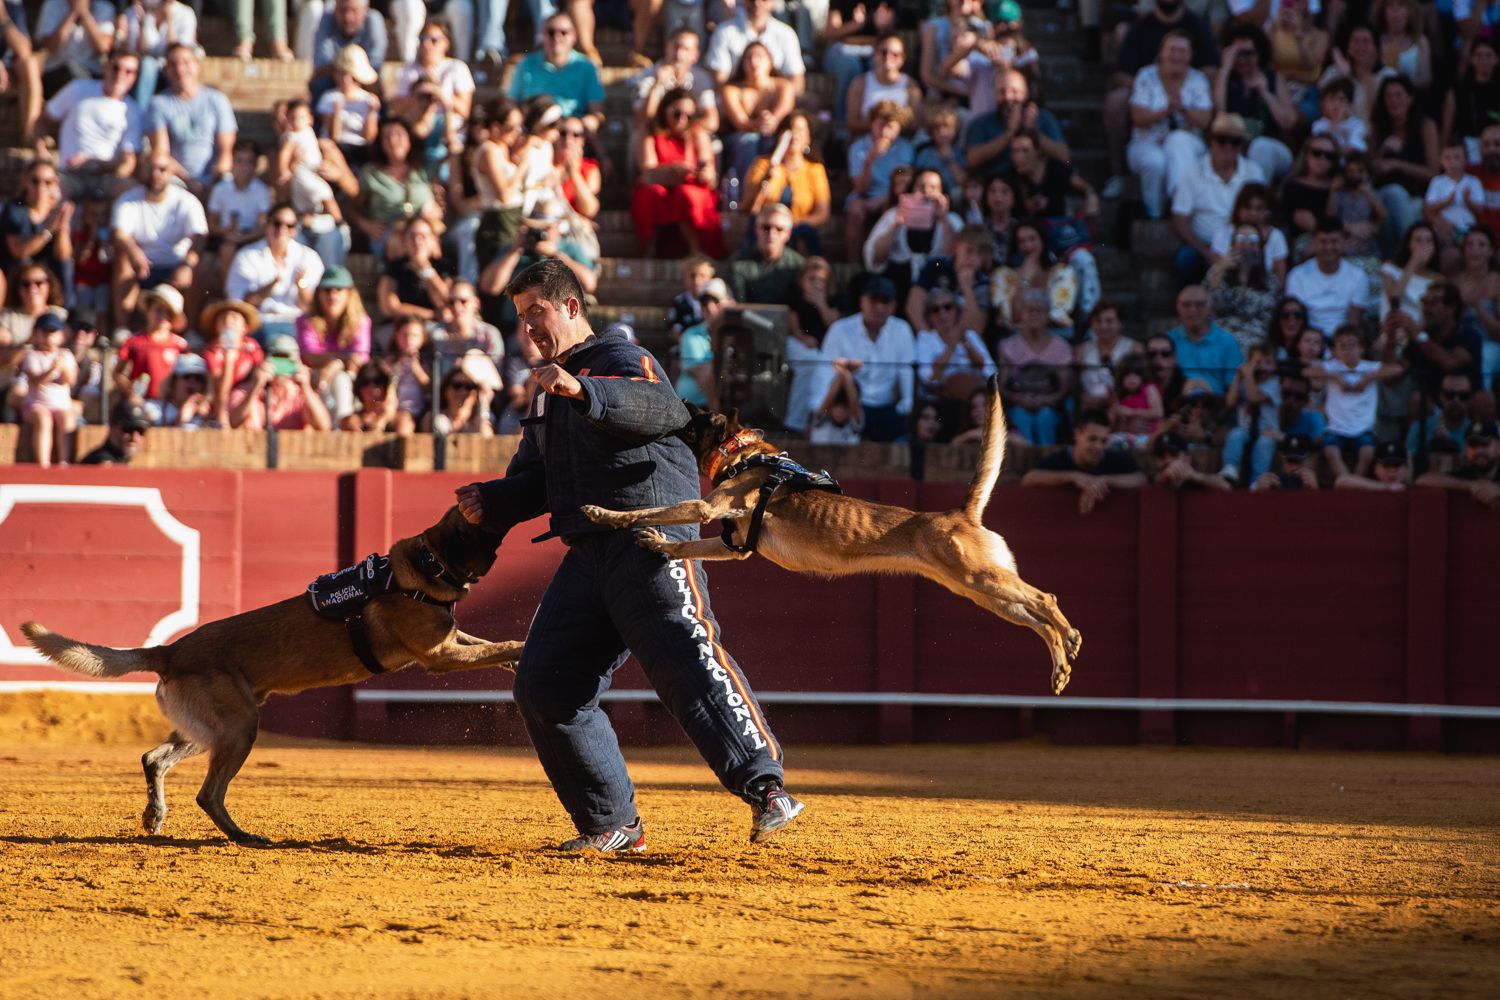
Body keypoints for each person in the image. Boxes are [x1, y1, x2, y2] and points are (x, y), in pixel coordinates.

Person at [454, 258, 801, 851]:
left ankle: (767, 787)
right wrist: (489, 500)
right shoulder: (545, 395)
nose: (529, 328)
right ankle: (612, 824)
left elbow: (662, 411)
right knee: (545, 686)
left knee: (684, 661)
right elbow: (536, 481)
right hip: (588, 552)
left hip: (651, 542)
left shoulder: (621, 358)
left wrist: (582, 390)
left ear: (570, 307)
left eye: (536, 311)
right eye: (520, 317)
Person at [109, 147, 207, 331]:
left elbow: (200, 238)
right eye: (150, 168)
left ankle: (192, 331)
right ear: (142, 170)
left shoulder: (186, 201)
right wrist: (134, 252)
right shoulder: (128, 200)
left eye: (162, 169)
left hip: (175, 264)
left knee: (198, 268)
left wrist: (186, 265)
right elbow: (119, 234)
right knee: (123, 260)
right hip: (142, 266)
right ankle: (122, 329)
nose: (156, 174)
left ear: (171, 173)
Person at [816, 275, 916, 442]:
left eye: (885, 301)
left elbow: (906, 373)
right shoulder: (840, 330)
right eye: (874, 300)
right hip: (851, 407)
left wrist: (906, 407)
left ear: (894, 306)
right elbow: (824, 374)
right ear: (862, 301)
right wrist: (818, 407)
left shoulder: (902, 330)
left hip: (887, 408)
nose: (879, 306)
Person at [1126, 31, 1214, 219]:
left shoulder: (1198, 79)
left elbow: (1205, 121)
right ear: (1161, 53)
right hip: (1146, 143)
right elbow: (1138, 117)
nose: (1177, 56)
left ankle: (1179, 206)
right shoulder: (1146, 75)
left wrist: (1183, 109)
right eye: (1172, 50)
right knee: (1155, 162)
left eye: (1183, 51)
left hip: (1189, 146)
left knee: (1178, 140)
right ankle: (1155, 215)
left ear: (1190, 56)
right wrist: (1164, 111)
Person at [1170, 112, 1266, 285]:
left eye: (1235, 141)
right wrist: (1205, 251)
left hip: (1245, 244)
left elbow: (1263, 213)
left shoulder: (1254, 172)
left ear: (1242, 145)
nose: (1228, 146)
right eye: (1222, 140)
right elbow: (1180, 218)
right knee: (1185, 260)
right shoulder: (1192, 171)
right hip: (1204, 245)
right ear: (1211, 140)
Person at [40, 49, 142, 202]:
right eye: (116, 68)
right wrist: (40, 150)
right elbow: (42, 120)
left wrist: (97, 163)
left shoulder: (133, 111)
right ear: (105, 67)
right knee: (47, 191)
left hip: (105, 177)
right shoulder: (78, 89)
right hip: (68, 174)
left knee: (133, 195)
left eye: (128, 72)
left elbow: (128, 162)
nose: (120, 75)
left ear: (134, 78)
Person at [630, 89, 722, 258]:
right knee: (652, 194)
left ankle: (697, 251)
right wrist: (677, 170)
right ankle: (651, 249)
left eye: (689, 116)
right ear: (665, 109)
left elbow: (708, 174)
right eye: (677, 113)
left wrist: (694, 174)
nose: (682, 120)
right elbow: (647, 172)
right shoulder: (651, 131)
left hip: (688, 189)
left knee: (686, 195)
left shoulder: (697, 132)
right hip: (661, 189)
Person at [1308, 324, 1403, 478]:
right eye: (1341, 345)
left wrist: (1368, 378)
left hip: (1363, 428)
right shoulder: (1332, 366)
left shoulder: (1368, 367)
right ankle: (1346, 481)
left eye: (1351, 345)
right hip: (1336, 428)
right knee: (1330, 451)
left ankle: (1354, 481)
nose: (1347, 350)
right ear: (1336, 350)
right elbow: (1307, 371)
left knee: (1368, 452)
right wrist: (1335, 377)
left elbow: (1397, 369)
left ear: (1361, 348)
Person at [145, 44, 236, 197]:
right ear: (166, 69)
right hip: (176, 177)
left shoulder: (217, 100)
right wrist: (190, 181)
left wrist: (213, 182)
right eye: (173, 64)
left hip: (214, 177)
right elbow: (162, 152)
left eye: (186, 62)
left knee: (226, 186)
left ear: (197, 65)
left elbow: (225, 151)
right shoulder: (158, 104)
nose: (180, 69)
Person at [225, 202, 323, 340]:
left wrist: (300, 284)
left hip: (297, 324)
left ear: (295, 230)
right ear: (267, 224)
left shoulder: (309, 257)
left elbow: (314, 308)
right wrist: (272, 284)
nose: (282, 229)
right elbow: (239, 305)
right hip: (259, 323)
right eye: (277, 223)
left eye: (289, 226)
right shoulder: (247, 256)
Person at [1020, 410, 1147, 515]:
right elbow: (1029, 479)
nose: (1098, 447)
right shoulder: (1060, 458)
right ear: (1077, 435)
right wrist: (1072, 476)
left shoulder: (1112, 458)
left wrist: (1104, 480)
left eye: (1103, 441)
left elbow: (1141, 479)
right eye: (1092, 439)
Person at [743, 112, 830, 257]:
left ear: (808, 138)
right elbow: (749, 206)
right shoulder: (762, 164)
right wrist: (767, 175)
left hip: (798, 228)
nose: (794, 135)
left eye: (800, 130)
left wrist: (791, 225)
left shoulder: (815, 169)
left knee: (804, 235)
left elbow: (822, 213)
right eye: (790, 130)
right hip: (767, 229)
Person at [1369, 75, 1439, 254]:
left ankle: (1411, 257)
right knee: (1392, 196)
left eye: (1398, 95)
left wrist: (1398, 164)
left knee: (1403, 201)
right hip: (1383, 192)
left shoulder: (1425, 126)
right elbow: (1368, 168)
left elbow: (1433, 172)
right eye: (1388, 96)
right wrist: (1383, 151)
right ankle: (1405, 257)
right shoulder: (1379, 126)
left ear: (1410, 98)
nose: (1393, 101)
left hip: (1416, 194)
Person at [997, 288, 1073, 445]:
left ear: (1047, 314)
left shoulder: (1061, 347)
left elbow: (1064, 387)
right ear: (1021, 314)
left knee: (1045, 418)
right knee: (1020, 417)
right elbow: (1002, 385)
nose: (1034, 314)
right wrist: (1019, 399)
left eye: (1039, 310)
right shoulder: (1008, 346)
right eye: (1029, 310)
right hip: (1018, 403)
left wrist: (1046, 399)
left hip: (1050, 405)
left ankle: (1047, 463)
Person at [506, 12, 604, 130]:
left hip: (569, 133)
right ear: (542, 36)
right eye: (551, 32)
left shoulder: (586, 66)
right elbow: (511, 104)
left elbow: (597, 113)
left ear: (574, 37)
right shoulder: (526, 64)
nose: (557, 37)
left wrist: (582, 124)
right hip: (535, 130)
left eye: (563, 32)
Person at [296, 266, 369, 422]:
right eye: (327, 290)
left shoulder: (361, 321)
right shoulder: (306, 320)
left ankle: (342, 428)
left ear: (350, 294)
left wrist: (335, 365)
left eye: (338, 289)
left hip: (350, 379)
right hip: (314, 377)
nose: (332, 295)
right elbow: (309, 357)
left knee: (340, 380)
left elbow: (359, 360)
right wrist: (337, 362)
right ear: (318, 294)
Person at [720, 41, 795, 185]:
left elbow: (781, 116)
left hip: (773, 134)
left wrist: (771, 120)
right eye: (748, 58)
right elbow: (740, 123)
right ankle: (746, 190)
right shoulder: (732, 90)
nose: (754, 62)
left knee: (778, 140)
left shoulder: (783, 86)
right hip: (739, 140)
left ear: (770, 62)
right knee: (749, 140)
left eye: (759, 57)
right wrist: (759, 123)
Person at [226, 333, 334, 431]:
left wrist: (306, 388)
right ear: (265, 360)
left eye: (287, 361)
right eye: (277, 359)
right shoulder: (245, 392)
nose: (281, 367)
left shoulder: (302, 395)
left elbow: (324, 427)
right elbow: (233, 423)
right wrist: (256, 386)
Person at [1286, 218, 1370, 337]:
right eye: (1323, 242)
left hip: (1343, 339)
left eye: (1334, 241)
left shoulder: (1358, 276)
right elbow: (1296, 317)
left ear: (1343, 241)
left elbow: (1353, 321)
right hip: (1307, 339)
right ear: (1314, 242)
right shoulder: (1297, 275)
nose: (1329, 247)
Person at [0, 160, 73, 292]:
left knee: (66, 266)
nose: (41, 187)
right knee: (25, 263)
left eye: (48, 182)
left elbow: (63, 256)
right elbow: (19, 252)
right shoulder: (15, 209)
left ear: (55, 183)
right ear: (26, 181)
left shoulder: (57, 211)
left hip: (48, 275)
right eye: (35, 181)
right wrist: (49, 229)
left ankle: (65, 309)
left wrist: (63, 225)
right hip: (20, 275)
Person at [633, 27, 719, 136]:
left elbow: (712, 122)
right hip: (657, 135)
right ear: (666, 47)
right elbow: (643, 122)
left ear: (695, 55)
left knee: (705, 139)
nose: (679, 54)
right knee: (642, 137)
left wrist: (682, 126)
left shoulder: (701, 78)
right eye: (676, 46)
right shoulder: (647, 76)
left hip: (688, 137)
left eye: (686, 49)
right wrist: (657, 85)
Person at [704, 0, 806, 92]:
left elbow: (796, 82)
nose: (757, 3)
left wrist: (773, 102)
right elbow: (720, 81)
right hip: (735, 103)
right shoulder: (724, 32)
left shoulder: (786, 34)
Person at [19, 311, 77, 466]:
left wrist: (62, 368)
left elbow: (70, 380)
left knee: (67, 419)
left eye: (53, 333)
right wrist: (53, 369)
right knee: (43, 420)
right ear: (36, 334)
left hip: (61, 405)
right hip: (36, 405)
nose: (48, 337)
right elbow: (37, 381)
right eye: (44, 332)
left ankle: (64, 462)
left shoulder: (66, 355)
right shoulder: (31, 355)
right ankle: (43, 463)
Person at [113, 284, 188, 402]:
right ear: (148, 310)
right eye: (158, 310)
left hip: (172, 404)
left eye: (168, 313)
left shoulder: (181, 345)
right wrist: (130, 390)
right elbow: (118, 373)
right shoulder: (134, 341)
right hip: (142, 402)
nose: (163, 316)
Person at [725, 203, 805, 305]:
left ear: (788, 234)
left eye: (779, 229)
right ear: (756, 229)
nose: (772, 234)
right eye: (766, 227)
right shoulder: (738, 264)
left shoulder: (798, 265)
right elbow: (738, 305)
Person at [845, 34, 921, 135]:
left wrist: (892, 125)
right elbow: (851, 123)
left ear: (902, 58)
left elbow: (915, 123)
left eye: (895, 54)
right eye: (884, 52)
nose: (888, 57)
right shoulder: (859, 83)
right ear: (875, 55)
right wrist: (878, 125)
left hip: (901, 142)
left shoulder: (911, 86)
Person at [674, 277, 731, 408]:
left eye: (716, 300)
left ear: (729, 303)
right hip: (693, 408)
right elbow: (703, 378)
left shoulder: (739, 335)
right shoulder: (690, 335)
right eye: (704, 302)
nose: (710, 307)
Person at [1414, 421, 1500, 508]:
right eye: (1473, 445)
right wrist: (1471, 485)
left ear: (1498, 447)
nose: (1479, 451)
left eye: (1485, 444)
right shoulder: (1466, 473)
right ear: (1466, 450)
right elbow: (1422, 480)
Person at [1077, 300, 1142, 410]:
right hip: (1089, 408)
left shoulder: (1134, 349)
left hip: (1125, 409)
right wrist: (1083, 398)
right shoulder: (1080, 351)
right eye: (1098, 320)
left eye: (1109, 321)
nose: (1103, 326)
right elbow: (1075, 385)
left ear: (1120, 323)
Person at [79, 399, 149, 464]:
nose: (135, 437)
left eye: (141, 431)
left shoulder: (119, 462)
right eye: (128, 429)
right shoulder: (102, 464)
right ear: (112, 427)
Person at [1252, 432, 1320, 490]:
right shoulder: (1273, 482)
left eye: (1298, 461)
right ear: (1283, 460)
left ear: (1310, 461)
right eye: (1290, 460)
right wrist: (1259, 492)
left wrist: (1315, 491)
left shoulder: (1319, 483)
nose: (1294, 466)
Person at [1335, 439, 1409, 490]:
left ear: (1406, 469)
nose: (1392, 470)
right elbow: (1342, 481)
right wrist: (1386, 487)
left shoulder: (1414, 487)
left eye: (1397, 465)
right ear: (1376, 468)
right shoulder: (1368, 487)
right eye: (1386, 465)